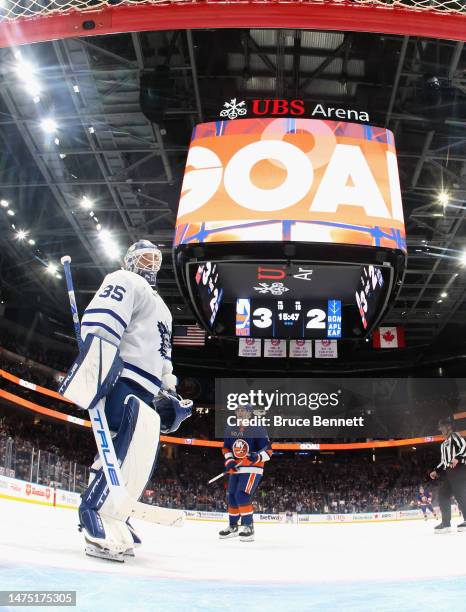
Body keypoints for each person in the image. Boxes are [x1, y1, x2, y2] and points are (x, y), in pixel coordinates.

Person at [60, 240, 192, 561]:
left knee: (135, 453)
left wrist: (169, 391)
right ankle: (96, 510)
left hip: (148, 387)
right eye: (144, 258)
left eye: (154, 260)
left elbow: (165, 358)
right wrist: (97, 362)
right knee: (123, 448)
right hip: (124, 377)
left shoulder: (162, 308)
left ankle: (117, 513)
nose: (149, 265)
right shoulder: (124, 279)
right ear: (130, 260)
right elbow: (103, 321)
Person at [219, 404, 272, 542]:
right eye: (238, 410)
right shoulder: (231, 428)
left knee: (241, 495)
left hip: (252, 468)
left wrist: (257, 456)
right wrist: (230, 461)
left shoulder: (258, 428)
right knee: (231, 496)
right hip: (237, 468)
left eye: (243, 410)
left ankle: (249, 526)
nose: (240, 413)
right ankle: (233, 526)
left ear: (250, 413)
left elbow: (268, 451)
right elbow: (226, 448)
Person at [429, 416, 466, 534]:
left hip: (459, 469)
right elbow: (444, 461)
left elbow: (464, 447)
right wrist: (436, 470)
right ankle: (446, 524)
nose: (440, 429)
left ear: (448, 427)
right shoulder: (444, 444)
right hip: (448, 472)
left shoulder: (455, 436)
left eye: (442, 427)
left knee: (460, 495)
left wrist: (457, 458)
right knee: (443, 495)